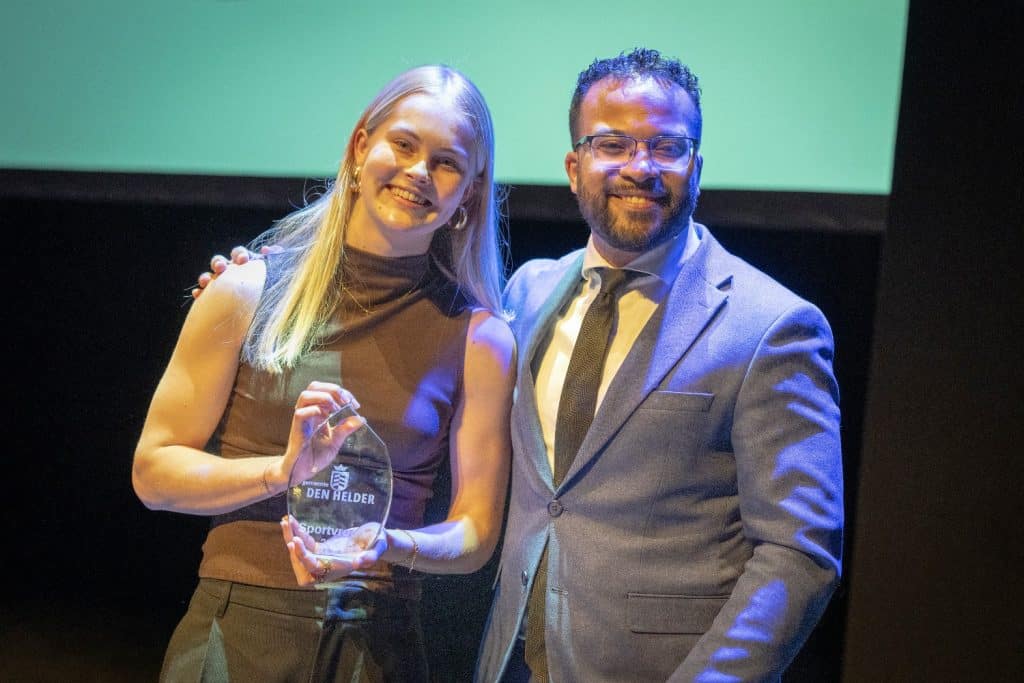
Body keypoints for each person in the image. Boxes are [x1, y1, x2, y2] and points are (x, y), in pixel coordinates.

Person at [202, 48, 843, 682]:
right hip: (512, 661)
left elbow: (798, 555)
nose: (639, 167)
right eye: (612, 145)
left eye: (666, 147)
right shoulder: (526, 295)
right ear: (574, 167)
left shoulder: (772, 326)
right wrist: (246, 288)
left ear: (696, 165)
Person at [133, 64, 515, 682]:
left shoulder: (480, 338)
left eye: (446, 163)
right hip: (234, 630)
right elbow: (154, 473)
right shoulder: (246, 290)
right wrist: (281, 471)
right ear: (361, 147)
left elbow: (475, 533)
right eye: (404, 144)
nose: (419, 171)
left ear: (469, 193)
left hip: (377, 640)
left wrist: (391, 544)